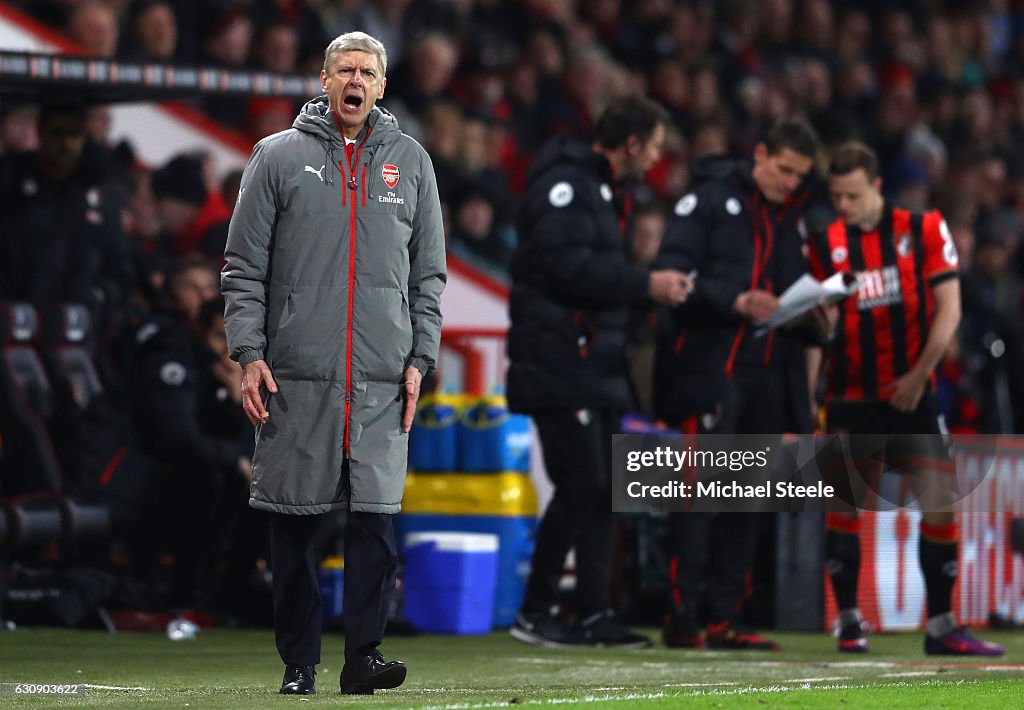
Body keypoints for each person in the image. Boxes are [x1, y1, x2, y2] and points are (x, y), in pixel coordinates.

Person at [221, 31, 446, 695]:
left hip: (380, 380)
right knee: (293, 523)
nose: (355, 79)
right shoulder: (276, 158)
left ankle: (363, 658)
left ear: (380, 87)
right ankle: (298, 663)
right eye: (344, 68)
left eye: (368, 71)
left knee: (375, 522)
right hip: (297, 378)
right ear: (323, 80)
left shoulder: (412, 163)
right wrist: (248, 353)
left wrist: (420, 357)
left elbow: (427, 276)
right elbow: (243, 267)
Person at [506, 95, 691, 648]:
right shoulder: (566, 187)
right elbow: (566, 269)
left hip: (593, 364)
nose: (657, 158)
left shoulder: (606, 189)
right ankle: (536, 611)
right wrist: (644, 284)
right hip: (559, 362)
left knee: (607, 488)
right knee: (582, 482)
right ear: (631, 143)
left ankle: (592, 612)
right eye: (654, 146)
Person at [810, 141, 1004, 656]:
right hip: (849, 393)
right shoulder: (825, 240)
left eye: (852, 195)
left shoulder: (923, 229)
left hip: (911, 392)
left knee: (941, 505)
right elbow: (817, 323)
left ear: (876, 186)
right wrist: (814, 393)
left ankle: (941, 626)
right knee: (844, 507)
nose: (844, 207)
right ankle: (849, 620)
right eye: (836, 197)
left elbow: (949, 308)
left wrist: (921, 375)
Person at [655, 117, 824, 651]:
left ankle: (725, 616)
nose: (789, 182)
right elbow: (672, 274)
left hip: (773, 372)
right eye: (784, 169)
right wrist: (734, 300)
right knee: (701, 496)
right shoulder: (708, 202)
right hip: (714, 370)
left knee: (749, 500)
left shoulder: (795, 219)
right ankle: (682, 615)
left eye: (799, 175)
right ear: (760, 154)